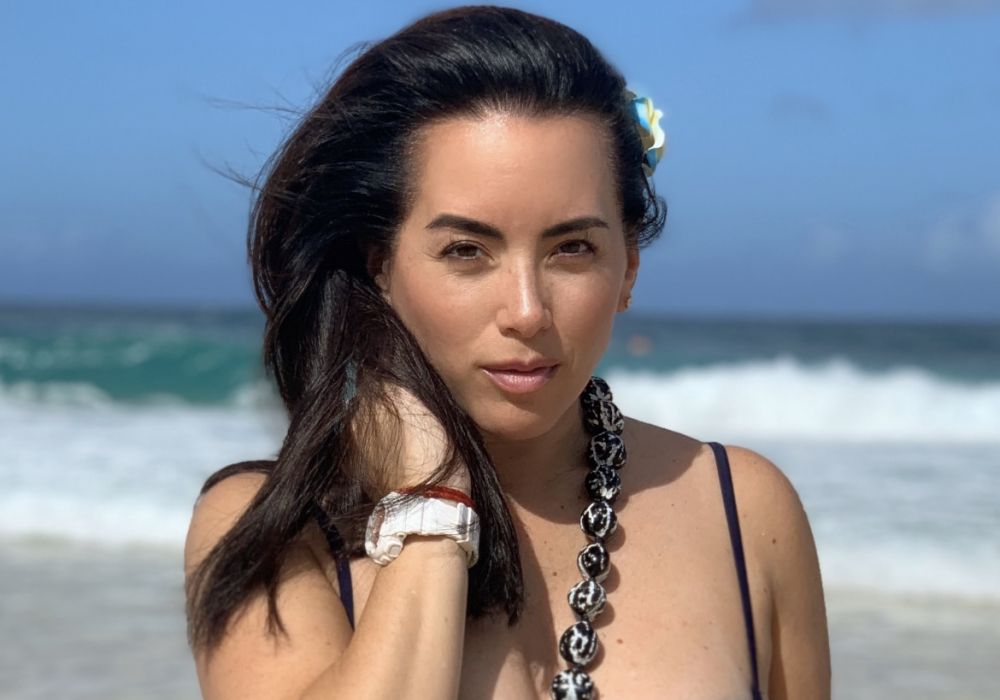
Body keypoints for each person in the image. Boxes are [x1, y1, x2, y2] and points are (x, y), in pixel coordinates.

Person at [183, 6, 831, 699]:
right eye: (467, 251)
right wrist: (432, 506)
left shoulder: (744, 511)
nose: (526, 311)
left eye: (572, 249)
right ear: (380, 267)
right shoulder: (273, 529)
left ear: (629, 269)